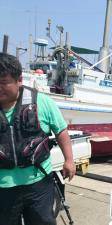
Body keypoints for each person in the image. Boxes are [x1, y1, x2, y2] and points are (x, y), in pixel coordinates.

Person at [0, 53, 75, 225]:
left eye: (4, 83)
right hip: (3, 189)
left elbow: (61, 131)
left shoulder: (42, 102)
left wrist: (69, 160)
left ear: (19, 80)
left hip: (38, 183)